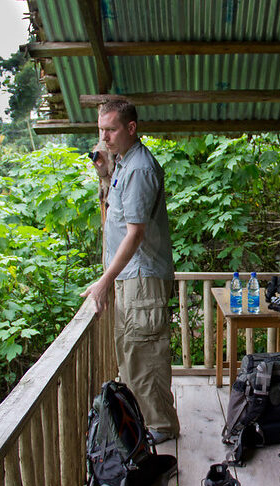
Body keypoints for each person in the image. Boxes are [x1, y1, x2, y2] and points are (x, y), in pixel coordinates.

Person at [81, 99, 179, 444]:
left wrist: (103, 282)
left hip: (142, 278)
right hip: (130, 277)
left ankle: (161, 428)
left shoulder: (139, 168)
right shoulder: (123, 164)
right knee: (131, 355)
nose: (103, 137)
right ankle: (147, 424)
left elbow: (135, 233)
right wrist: (105, 173)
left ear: (131, 129)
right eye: (100, 130)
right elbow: (118, 218)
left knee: (145, 356)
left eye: (110, 129)